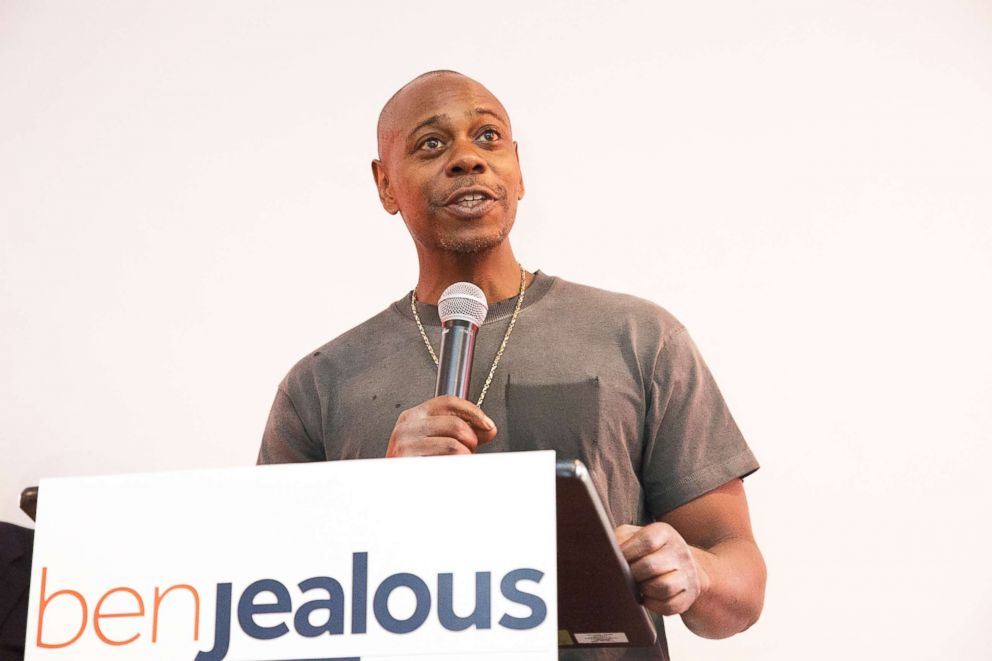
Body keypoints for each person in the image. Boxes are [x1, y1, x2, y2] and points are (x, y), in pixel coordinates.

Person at [258, 70, 766, 654]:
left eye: (489, 137)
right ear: (384, 185)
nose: (467, 159)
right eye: (431, 143)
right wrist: (381, 495)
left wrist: (696, 572)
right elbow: (273, 609)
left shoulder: (640, 337)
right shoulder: (321, 384)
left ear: (518, 170)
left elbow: (742, 588)